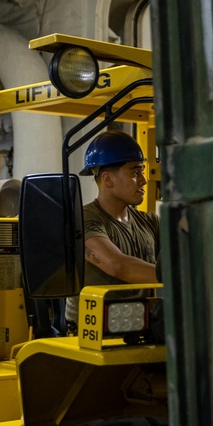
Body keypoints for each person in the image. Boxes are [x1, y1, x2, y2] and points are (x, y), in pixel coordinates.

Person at [65, 130, 159, 325]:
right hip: (91, 335)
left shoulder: (150, 222)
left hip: (139, 327)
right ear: (108, 179)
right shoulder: (83, 220)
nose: (143, 180)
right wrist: (180, 277)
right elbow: (117, 265)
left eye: (142, 171)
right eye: (135, 172)